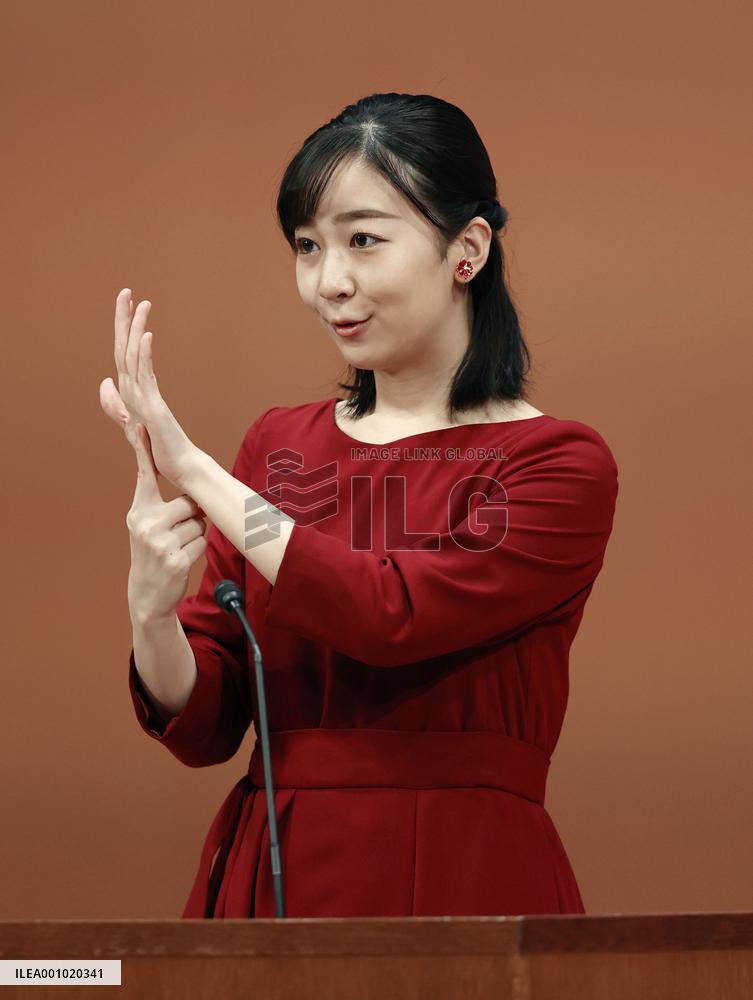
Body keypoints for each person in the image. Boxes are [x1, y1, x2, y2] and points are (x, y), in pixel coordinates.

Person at [112, 92, 619, 918]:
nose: (327, 282)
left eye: (363, 240)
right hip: (279, 860)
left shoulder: (556, 462)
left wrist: (197, 473)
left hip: (468, 867)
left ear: (467, 249)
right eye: (306, 246)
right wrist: (151, 618)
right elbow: (207, 725)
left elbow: (392, 614)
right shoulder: (277, 447)